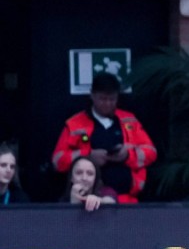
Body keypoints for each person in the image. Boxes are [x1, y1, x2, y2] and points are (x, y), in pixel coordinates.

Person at [52, 72, 158, 203]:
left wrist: (127, 155)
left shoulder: (129, 120)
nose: (107, 103)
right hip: (88, 201)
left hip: (127, 200)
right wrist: (88, 156)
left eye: (112, 99)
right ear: (92, 95)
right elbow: (58, 161)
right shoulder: (75, 124)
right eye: (102, 99)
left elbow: (151, 152)